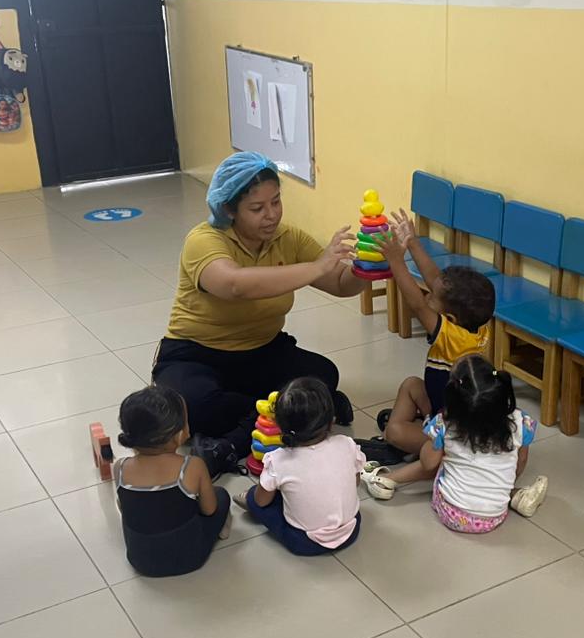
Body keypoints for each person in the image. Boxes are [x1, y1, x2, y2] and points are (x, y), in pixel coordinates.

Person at [153, 152, 365, 477]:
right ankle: (296, 412)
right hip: (198, 354)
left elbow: (339, 283)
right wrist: (316, 266)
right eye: (257, 208)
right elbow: (235, 284)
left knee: (324, 374)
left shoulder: (288, 238)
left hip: (262, 350)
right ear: (228, 209)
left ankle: (232, 439)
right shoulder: (204, 240)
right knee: (194, 409)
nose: (271, 215)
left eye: (276, 202)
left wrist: (370, 265)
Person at [356, 209, 496, 464]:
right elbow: (434, 279)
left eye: (432, 297)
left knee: (395, 432)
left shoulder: (452, 337)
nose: (428, 294)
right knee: (412, 384)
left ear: (449, 318)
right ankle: (417, 430)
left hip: (453, 430)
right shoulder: (476, 327)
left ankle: (407, 443)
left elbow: (417, 304)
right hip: (446, 405)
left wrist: (396, 261)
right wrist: (412, 242)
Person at [361, 354, 549, 534]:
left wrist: (432, 438)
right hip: (494, 517)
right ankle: (515, 496)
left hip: (452, 513)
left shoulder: (446, 424)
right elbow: (520, 461)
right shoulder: (520, 421)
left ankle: (386, 480)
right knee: (489, 469)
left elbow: (428, 464)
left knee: (444, 459)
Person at [232, 377, 364, 556]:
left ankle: (250, 497)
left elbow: (262, 501)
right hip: (351, 529)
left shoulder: (278, 459)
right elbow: (355, 482)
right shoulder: (346, 443)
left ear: (279, 426)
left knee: (257, 499)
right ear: (331, 421)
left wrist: (255, 497)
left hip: (304, 542)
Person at [114, 385, 231, 577]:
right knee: (220, 495)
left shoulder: (120, 467)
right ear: (179, 434)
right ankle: (221, 529)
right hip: (189, 558)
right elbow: (209, 510)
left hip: (139, 560)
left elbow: (123, 507)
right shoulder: (192, 466)